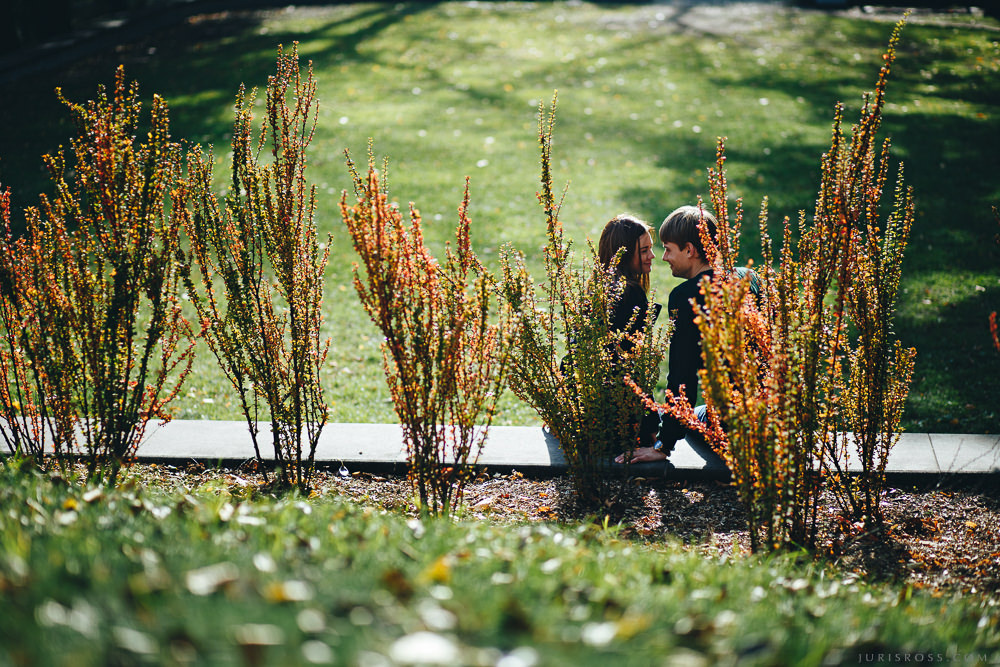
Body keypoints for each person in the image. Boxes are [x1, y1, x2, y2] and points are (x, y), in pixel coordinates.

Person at [617, 205, 759, 464]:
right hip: (774, 419)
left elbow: (682, 377)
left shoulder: (686, 297)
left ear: (690, 250)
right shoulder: (750, 278)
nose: (663, 257)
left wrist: (663, 445)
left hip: (734, 428)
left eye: (669, 249)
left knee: (692, 413)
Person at [595, 214, 661, 448]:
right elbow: (632, 366)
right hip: (619, 417)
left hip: (590, 409)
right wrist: (650, 425)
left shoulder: (597, 287)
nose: (652, 256)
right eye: (644, 250)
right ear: (622, 254)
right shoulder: (630, 294)